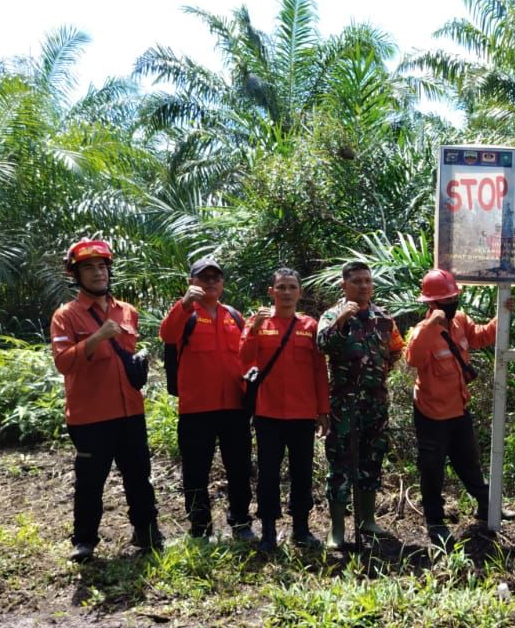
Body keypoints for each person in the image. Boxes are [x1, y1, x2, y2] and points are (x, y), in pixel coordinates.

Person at [50, 238, 161, 563]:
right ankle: (84, 541)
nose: (97, 273)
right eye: (88, 268)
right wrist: (97, 338)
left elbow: (125, 354)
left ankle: (147, 531)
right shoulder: (66, 316)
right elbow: (62, 362)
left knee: (139, 475)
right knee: (90, 482)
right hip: (89, 416)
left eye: (102, 266)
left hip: (130, 410)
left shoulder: (127, 311)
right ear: (76, 275)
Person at [404, 268, 514, 544]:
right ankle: (435, 521)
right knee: (432, 468)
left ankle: (486, 507)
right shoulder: (423, 331)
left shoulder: (460, 322)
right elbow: (413, 360)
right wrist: (432, 325)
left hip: (458, 409)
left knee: (469, 461)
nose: (452, 304)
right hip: (431, 413)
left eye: (455, 298)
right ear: (432, 303)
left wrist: (502, 315)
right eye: (446, 300)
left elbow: (480, 337)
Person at [158, 257, 253, 542]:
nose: (210, 282)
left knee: (239, 468)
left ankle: (240, 522)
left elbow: (250, 355)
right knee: (196, 471)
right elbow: (167, 334)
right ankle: (200, 528)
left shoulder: (234, 316)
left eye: (216, 278)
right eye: (204, 277)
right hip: (196, 408)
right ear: (192, 282)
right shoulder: (184, 314)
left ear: (222, 283)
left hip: (234, 407)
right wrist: (185, 303)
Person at [316, 262, 405, 549]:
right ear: (344, 286)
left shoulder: (383, 318)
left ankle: (367, 520)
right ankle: (337, 529)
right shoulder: (331, 315)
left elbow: (395, 350)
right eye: (356, 281)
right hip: (344, 405)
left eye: (367, 280)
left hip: (375, 403)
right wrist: (341, 321)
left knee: (371, 460)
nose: (364, 286)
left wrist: (376, 375)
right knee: (340, 465)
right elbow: (322, 345)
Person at [240, 268, 329, 552]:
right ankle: (268, 530)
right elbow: (242, 359)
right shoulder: (257, 322)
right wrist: (253, 332)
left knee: (302, 472)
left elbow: (319, 371)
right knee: (268, 474)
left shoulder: (310, 325)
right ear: (271, 292)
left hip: (303, 414)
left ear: (300, 292)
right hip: (268, 413)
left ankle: (301, 529)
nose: (287, 292)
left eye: (292, 287)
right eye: (281, 287)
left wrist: (323, 411)